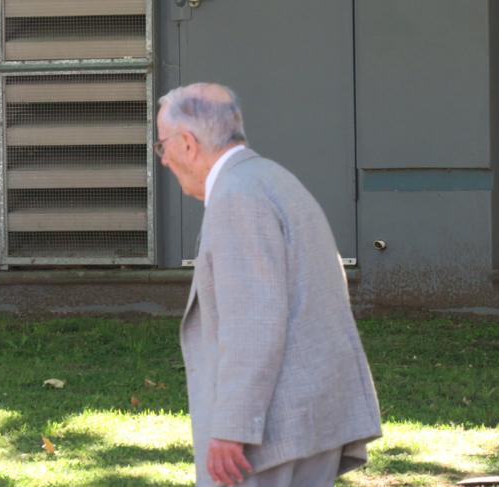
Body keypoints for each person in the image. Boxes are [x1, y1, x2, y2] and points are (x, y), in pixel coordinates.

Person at [156, 82, 381, 487]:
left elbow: (253, 323)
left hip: (270, 436)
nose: (164, 160)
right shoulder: (272, 178)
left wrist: (232, 429)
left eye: (162, 146)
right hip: (311, 420)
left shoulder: (236, 197)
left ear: (187, 144)